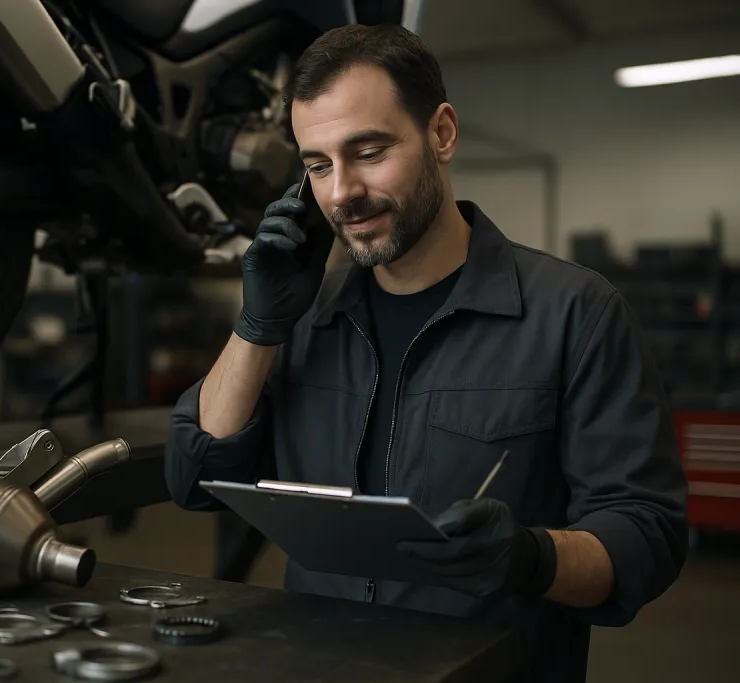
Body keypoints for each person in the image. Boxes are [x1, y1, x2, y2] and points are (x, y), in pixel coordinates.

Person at [164, 23, 689, 683]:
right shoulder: (302, 319)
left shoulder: (575, 313)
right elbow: (192, 476)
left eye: (369, 151)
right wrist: (259, 323)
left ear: (441, 133)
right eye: (318, 165)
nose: (340, 193)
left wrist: (533, 558)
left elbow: (649, 534)